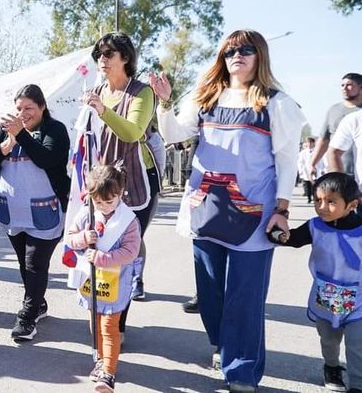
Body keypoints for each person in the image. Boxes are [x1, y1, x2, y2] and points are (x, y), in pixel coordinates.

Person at [151, 29, 305, 391]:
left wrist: (282, 209)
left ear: (259, 56)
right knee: (209, 293)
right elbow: (173, 134)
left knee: (245, 297)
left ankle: (242, 372)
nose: (238, 55)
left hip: (255, 213)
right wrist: (164, 103)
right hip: (206, 207)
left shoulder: (276, 103)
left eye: (246, 50)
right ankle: (223, 344)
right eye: (230, 50)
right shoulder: (206, 96)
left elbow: (286, 161)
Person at [0, 84, 70, 341]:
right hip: (12, 209)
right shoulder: (6, 128)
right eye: (19, 108)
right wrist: (4, 147)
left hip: (45, 210)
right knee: (24, 263)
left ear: (42, 107)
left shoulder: (55, 130)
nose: (23, 113)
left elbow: (47, 159)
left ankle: (27, 317)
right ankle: (38, 303)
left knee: (35, 263)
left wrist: (20, 136)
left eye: (29, 108)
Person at [83, 32, 159, 307]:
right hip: (104, 180)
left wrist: (103, 110)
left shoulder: (142, 92)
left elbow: (132, 132)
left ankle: (123, 310)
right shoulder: (97, 91)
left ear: (125, 57)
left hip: (136, 180)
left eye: (108, 54)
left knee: (128, 236)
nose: (101, 60)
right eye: (99, 55)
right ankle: (111, 313)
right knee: (108, 242)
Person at [273, 173, 362, 393]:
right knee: (329, 340)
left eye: (331, 202)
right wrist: (280, 236)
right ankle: (331, 367)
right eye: (318, 200)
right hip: (326, 297)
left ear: (352, 205)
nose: (322, 207)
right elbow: (293, 239)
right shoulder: (315, 226)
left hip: (359, 298)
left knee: (357, 343)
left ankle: (358, 385)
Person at [62, 165, 141, 393]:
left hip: (116, 282)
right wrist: (83, 238)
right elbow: (70, 238)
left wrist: (104, 257)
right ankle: (101, 358)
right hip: (91, 281)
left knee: (109, 326)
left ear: (120, 193)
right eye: (99, 202)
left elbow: (131, 252)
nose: (104, 206)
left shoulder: (128, 220)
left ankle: (108, 372)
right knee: (95, 323)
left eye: (110, 201)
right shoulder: (86, 212)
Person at [311, 73, 362, 177]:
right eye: (342, 85)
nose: (344, 88)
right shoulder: (333, 110)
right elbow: (324, 140)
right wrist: (312, 163)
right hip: (338, 171)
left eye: (349, 85)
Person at [297, 137, 319, 203]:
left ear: (313, 143)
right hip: (306, 170)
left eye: (311, 143)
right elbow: (300, 162)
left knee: (314, 185)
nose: (309, 144)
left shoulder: (317, 151)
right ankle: (309, 198)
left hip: (315, 170)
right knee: (307, 185)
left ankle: (315, 198)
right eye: (308, 143)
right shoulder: (303, 153)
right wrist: (301, 171)